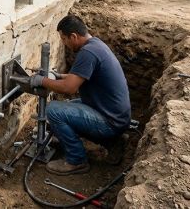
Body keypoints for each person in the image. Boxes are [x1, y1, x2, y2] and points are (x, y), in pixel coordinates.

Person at [29, 14, 131, 175]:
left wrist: (41, 81)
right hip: (116, 115)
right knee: (68, 107)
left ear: (74, 36)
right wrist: (56, 75)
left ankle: (76, 160)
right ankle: (113, 142)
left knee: (54, 110)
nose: (64, 43)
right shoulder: (96, 45)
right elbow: (78, 77)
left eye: (64, 39)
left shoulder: (88, 53)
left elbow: (69, 88)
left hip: (110, 121)